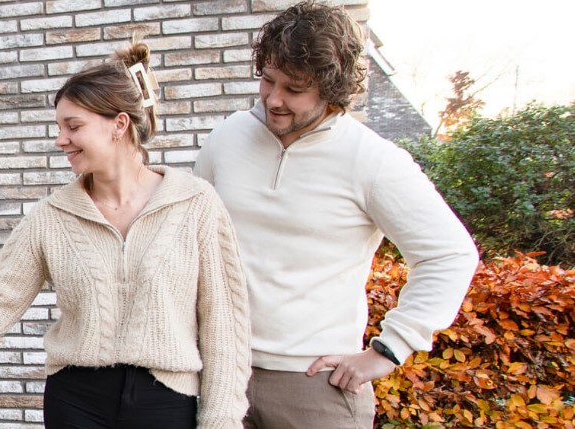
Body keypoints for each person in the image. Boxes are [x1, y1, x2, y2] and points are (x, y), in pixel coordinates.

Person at [0, 41, 251, 428]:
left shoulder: (195, 204)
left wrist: (221, 419)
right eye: (60, 127)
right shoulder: (51, 218)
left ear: (119, 125)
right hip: (76, 403)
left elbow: (224, 326)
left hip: (167, 402)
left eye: (74, 126)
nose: (61, 139)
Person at [193, 2, 480, 428]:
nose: (274, 99)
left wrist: (388, 350)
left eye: (294, 88)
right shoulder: (227, 137)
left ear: (331, 88)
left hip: (314, 388)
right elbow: (193, 239)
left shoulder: (373, 160)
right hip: (220, 374)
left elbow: (450, 255)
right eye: (268, 81)